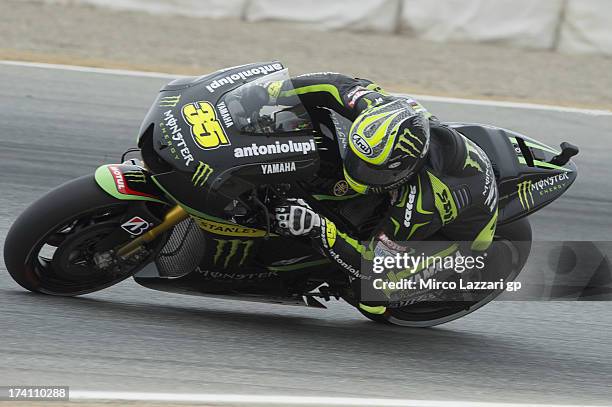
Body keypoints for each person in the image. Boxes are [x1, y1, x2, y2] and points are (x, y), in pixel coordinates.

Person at [253, 72, 499, 314]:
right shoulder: (376, 107)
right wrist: (273, 92)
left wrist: (319, 227)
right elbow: (332, 84)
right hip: (443, 154)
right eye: (358, 160)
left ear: (405, 170)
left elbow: (374, 266)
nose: (358, 172)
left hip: (458, 237)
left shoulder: (421, 203)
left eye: (373, 171)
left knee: (372, 296)